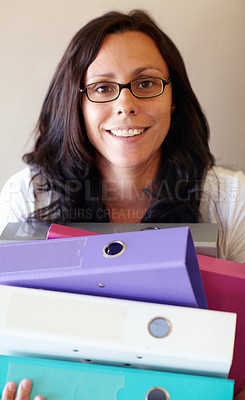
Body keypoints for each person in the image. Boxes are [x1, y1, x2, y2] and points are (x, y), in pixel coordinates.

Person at [0, 9, 244, 400]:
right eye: (101, 87)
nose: (125, 105)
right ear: (76, 102)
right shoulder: (26, 196)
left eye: (146, 83)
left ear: (174, 98)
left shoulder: (232, 199)